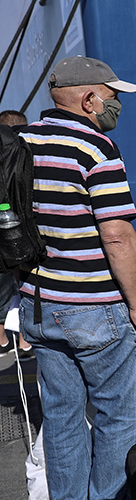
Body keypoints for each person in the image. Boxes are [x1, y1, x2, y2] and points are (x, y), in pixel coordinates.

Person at [17, 56, 136, 500]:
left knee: (61, 411)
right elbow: (116, 235)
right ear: (89, 99)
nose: (116, 105)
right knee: (118, 411)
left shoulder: (20, 143)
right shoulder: (95, 148)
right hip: (94, 306)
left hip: (38, 303)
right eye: (112, 96)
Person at [0, 110, 33, 357]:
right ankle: (25, 341)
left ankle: (2, 339)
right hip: (22, 233)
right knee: (25, 285)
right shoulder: (27, 150)